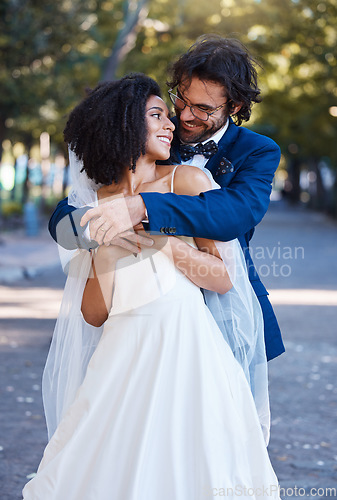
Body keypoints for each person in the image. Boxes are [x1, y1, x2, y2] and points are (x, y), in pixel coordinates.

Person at [23, 74, 280, 500]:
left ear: (230, 108)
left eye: (194, 110)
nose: (175, 123)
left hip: (189, 352)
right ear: (123, 125)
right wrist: (102, 253)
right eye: (161, 113)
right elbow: (93, 313)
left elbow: (222, 276)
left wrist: (160, 240)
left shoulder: (188, 181)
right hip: (119, 358)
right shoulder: (93, 207)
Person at [48, 34, 285, 363]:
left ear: (235, 106)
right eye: (181, 100)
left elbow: (236, 212)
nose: (184, 117)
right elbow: (67, 218)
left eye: (203, 109)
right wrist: (101, 235)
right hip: (139, 318)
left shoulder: (257, 151)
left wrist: (143, 209)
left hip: (224, 311)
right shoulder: (145, 132)